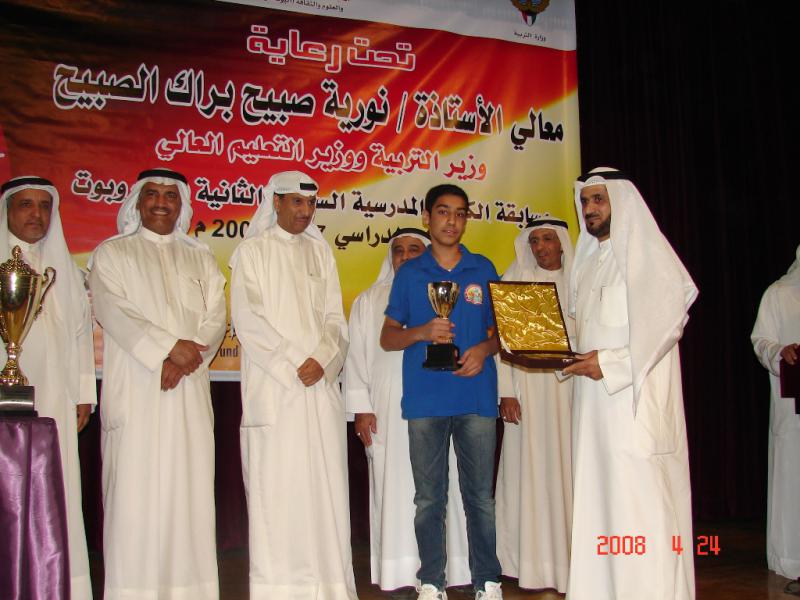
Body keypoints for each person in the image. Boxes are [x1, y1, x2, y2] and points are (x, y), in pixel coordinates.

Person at [88, 168, 226, 600]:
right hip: (137, 389)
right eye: (152, 194)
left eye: (170, 196)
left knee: (188, 496)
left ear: (182, 205)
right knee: (135, 497)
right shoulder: (112, 253)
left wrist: (183, 360)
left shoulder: (201, 257)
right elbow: (113, 310)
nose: (161, 203)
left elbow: (216, 317)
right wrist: (167, 349)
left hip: (188, 391)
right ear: (137, 201)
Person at [562, 168, 697, 600]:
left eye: (599, 199)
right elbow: (581, 332)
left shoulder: (647, 257)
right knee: (599, 505)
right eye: (585, 201)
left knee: (640, 509)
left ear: (621, 201)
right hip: (593, 413)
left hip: (634, 410)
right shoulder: (585, 265)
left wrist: (609, 364)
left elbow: (666, 326)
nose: (590, 209)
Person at [230, 170, 356, 600]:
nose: (305, 211)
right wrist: (293, 363)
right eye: (296, 202)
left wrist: (322, 359)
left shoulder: (321, 253)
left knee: (325, 493)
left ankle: (331, 587)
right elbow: (247, 319)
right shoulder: (252, 252)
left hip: (319, 390)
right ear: (277, 203)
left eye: (311, 203)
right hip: (276, 389)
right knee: (279, 495)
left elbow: (336, 321)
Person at [381, 184, 503, 600]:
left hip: (476, 396)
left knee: (480, 498)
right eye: (443, 212)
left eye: (460, 213)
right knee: (429, 499)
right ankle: (431, 581)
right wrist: (421, 332)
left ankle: (488, 580)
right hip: (426, 399)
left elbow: (505, 333)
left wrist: (484, 350)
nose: (452, 221)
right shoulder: (410, 273)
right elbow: (387, 337)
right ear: (427, 217)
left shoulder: (483, 268)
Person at [344, 228, 471, 591]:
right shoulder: (370, 300)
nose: (404, 256)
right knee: (394, 488)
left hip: (438, 407)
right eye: (398, 250)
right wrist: (361, 409)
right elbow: (355, 358)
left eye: (413, 249)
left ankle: (452, 571)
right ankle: (399, 574)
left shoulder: (445, 293)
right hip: (386, 410)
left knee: (443, 487)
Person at [0, 176, 96, 599]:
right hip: (5, 399)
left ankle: (59, 583)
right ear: (7, 211)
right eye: (26, 204)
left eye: (43, 206)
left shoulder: (64, 272)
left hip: (56, 398)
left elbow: (80, 336)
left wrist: (83, 394)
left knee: (58, 488)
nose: (36, 214)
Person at [495, 219, 574, 593]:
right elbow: (501, 346)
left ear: (562, 243)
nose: (541, 247)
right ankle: (527, 563)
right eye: (535, 241)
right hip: (526, 393)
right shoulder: (517, 280)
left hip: (571, 391)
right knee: (527, 473)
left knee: (567, 473)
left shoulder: (580, 281)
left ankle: (569, 561)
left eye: (548, 239)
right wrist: (506, 392)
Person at [751, 245, 800, 596]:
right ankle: (791, 558)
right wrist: (780, 352)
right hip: (792, 407)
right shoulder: (778, 294)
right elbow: (760, 340)